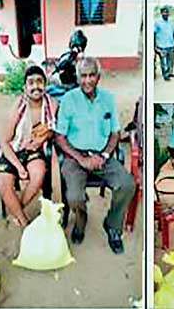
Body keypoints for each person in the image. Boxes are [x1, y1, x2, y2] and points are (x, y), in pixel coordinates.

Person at [55, 58, 135, 254]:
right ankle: (81, 221)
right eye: (83, 75)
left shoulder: (108, 99)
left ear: (99, 77)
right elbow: (60, 137)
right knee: (74, 197)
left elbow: (115, 133)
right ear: (77, 77)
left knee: (127, 185)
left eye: (92, 75)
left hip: (102, 156)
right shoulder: (69, 100)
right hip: (75, 157)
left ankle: (113, 225)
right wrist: (82, 159)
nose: (88, 80)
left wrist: (106, 155)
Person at [0, 66, 58, 227]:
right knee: (3, 182)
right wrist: (19, 167)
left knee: (38, 175)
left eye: (39, 82)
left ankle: (17, 211)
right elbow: (4, 141)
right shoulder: (19, 106)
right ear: (25, 87)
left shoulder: (51, 104)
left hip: (33, 151)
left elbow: (53, 129)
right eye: (31, 82)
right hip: (14, 149)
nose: (36, 86)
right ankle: (24, 222)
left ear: (45, 85)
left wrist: (42, 138)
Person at [154, 7, 174, 81]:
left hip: (171, 44)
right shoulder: (157, 22)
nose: (166, 14)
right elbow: (154, 34)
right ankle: (165, 75)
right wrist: (155, 46)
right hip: (162, 46)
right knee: (163, 62)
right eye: (164, 13)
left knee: (171, 61)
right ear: (161, 13)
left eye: (167, 13)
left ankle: (170, 72)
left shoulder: (171, 22)